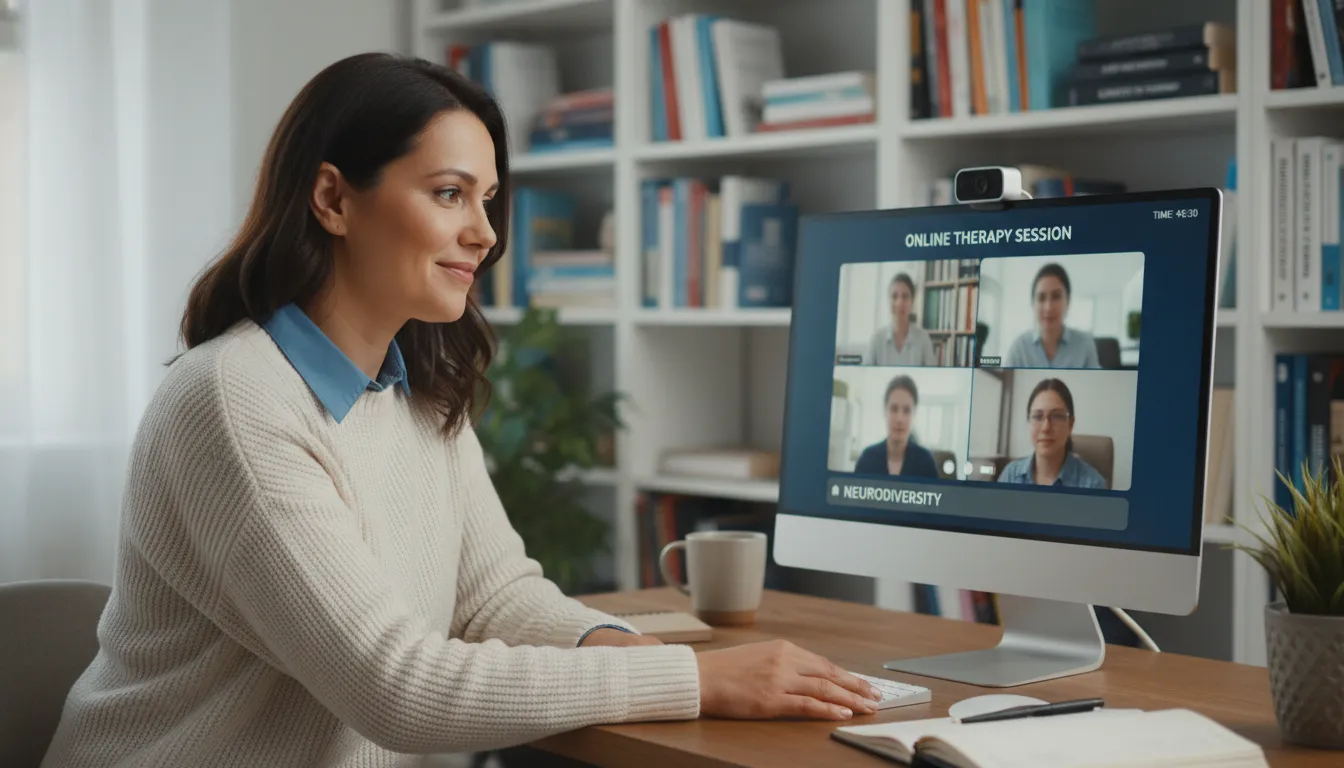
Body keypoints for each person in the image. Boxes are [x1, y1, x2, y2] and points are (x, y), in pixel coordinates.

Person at [39, 53, 882, 768]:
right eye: (449, 193)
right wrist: (699, 681)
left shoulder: (413, 386)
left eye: (486, 199)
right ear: (333, 199)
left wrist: (621, 651)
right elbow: (394, 684)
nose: (486, 232)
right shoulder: (234, 400)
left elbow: (495, 598)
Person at [997, 378, 1107, 489]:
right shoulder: (1010, 475)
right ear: (1028, 422)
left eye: (1056, 416)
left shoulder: (1093, 485)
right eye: (1037, 416)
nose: (1045, 428)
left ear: (1070, 424)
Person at [1003, 263, 1100, 369]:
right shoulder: (1019, 348)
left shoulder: (1085, 345)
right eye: (1041, 298)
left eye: (1056, 296)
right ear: (1033, 304)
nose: (1048, 307)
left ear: (1067, 301)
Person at [853, 375, 941, 477]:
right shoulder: (867, 459)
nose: (899, 419)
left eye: (907, 410)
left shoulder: (925, 462)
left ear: (914, 413)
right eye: (894, 409)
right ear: (885, 411)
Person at [867, 272, 938, 366]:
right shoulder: (876, 340)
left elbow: (931, 377)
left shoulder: (923, 339)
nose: (899, 303)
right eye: (894, 296)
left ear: (912, 302)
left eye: (905, 297)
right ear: (889, 301)